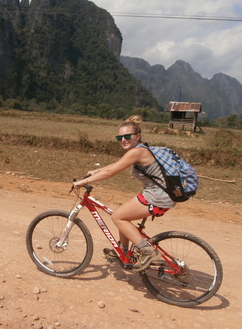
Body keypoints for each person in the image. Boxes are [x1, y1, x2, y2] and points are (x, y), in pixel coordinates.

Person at [72, 115, 176, 272]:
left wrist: (82, 182)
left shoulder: (137, 152)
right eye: (119, 137)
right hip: (158, 194)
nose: (123, 140)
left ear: (138, 136)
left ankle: (147, 251)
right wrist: (95, 171)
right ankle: (123, 251)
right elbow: (116, 164)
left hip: (158, 196)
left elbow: (110, 172)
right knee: (123, 213)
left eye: (127, 136)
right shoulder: (138, 150)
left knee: (118, 216)